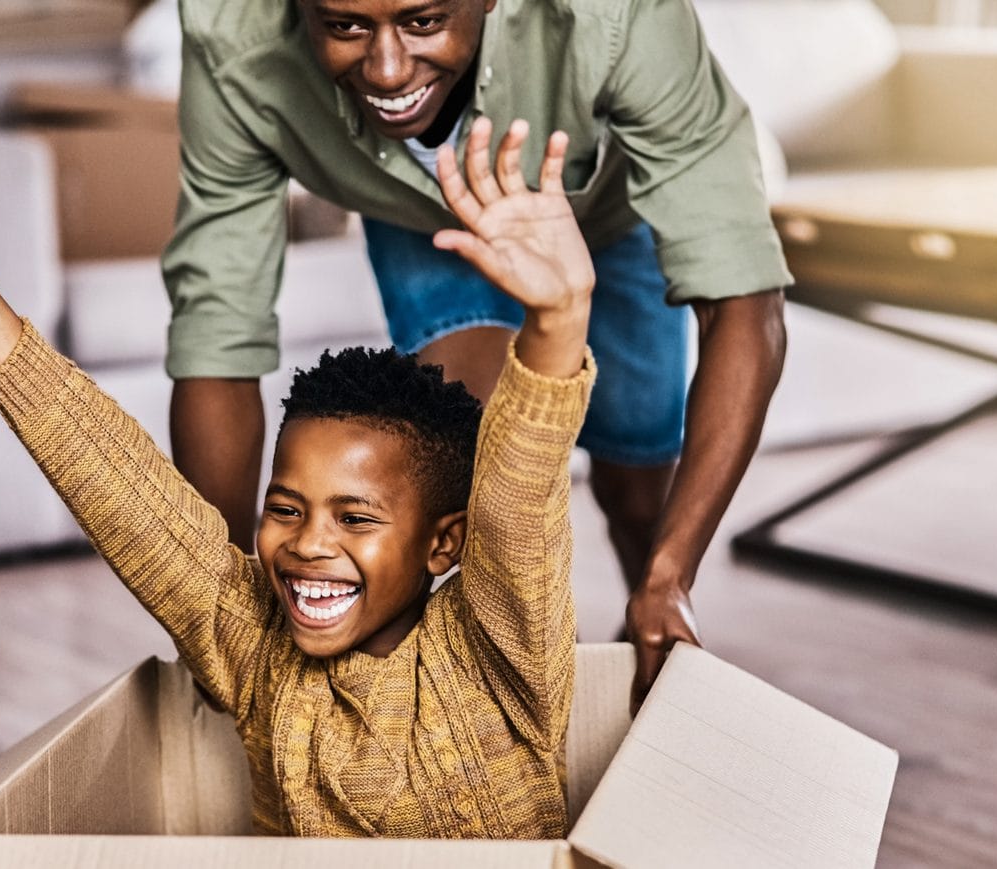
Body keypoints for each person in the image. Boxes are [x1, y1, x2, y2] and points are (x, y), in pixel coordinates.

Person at [0, 125, 595, 836]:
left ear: (443, 543)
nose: (307, 544)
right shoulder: (259, 649)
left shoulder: (499, 647)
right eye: (285, 507)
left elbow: (521, 498)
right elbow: (128, 495)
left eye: (355, 518)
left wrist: (559, 318)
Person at [160, 0, 790, 703]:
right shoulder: (230, 35)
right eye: (346, 27)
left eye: (424, 21)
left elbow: (743, 296)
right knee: (467, 479)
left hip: (607, 218)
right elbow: (217, 333)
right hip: (420, 217)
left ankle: (653, 641)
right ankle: (442, 726)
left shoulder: (618, 14)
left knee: (638, 496)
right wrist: (219, 606)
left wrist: (669, 576)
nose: (389, 68)